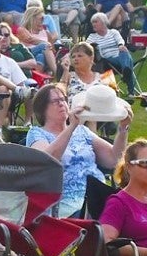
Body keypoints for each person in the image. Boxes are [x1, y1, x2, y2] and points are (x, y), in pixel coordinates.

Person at [22, 83, 116, 218]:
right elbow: (47, 162)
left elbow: (113, 159)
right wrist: (71, 127)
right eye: (55, 101)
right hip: (65, 203)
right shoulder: (37, 133)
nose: (61, 104)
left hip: (97, 195)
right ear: (42, 109)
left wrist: (123, 129)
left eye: (63, 99)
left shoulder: (82, 130)